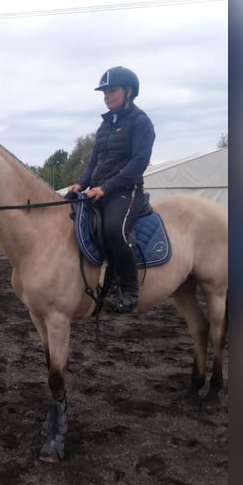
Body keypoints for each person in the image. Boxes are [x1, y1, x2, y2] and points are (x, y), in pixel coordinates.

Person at [69, 66, 155, 313]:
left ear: (129, 92)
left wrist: (105, 188)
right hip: (99, 190)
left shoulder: (141, 122)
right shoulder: (105, 126)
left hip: (127, 191)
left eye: (111, 90)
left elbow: (138, 163)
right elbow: (93, 161)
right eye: (104, 92)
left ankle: (129, 290)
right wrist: (81, 183)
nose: (106, 95)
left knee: (113, 230)